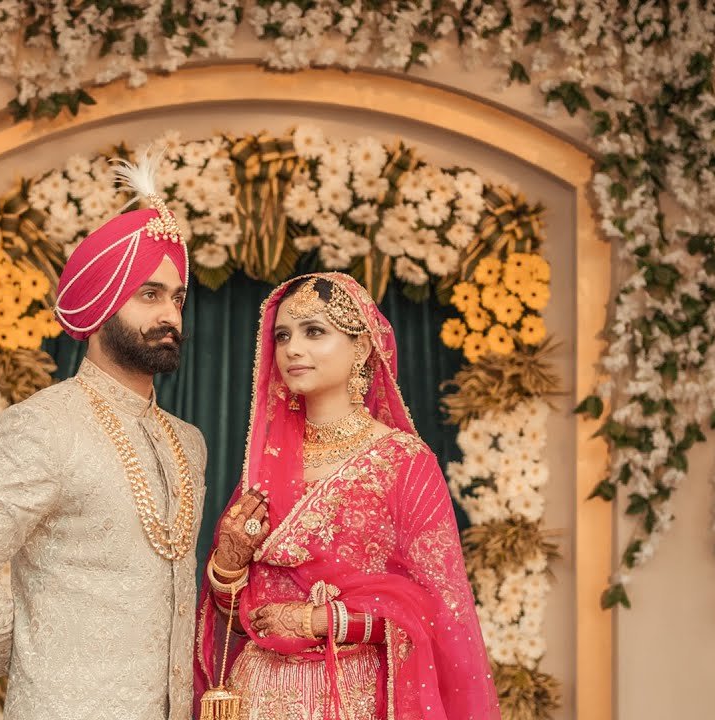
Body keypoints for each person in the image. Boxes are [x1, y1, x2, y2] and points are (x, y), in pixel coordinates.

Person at [0, 150, 207, 720]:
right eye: (149, 295)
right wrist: (34, 658)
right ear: (101, 304)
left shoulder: (187, 441)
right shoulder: (43, 426)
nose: (171, 316)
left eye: (177, 298)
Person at [195, 272, 501, 720]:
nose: (292, 349)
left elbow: (439, 611)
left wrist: (323, 620)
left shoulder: (403, 461)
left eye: (314, 331)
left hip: (353, 697)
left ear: (360, 348)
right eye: (283, 335)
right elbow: (238, 619)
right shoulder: (266, 462)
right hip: (255, 693)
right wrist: (228, 564)